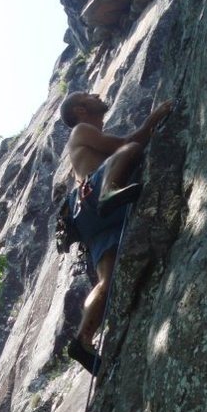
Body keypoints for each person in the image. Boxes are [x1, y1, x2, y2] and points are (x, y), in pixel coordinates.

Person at [60, 91, 172, 374]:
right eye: (88, 96)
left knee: (106, 282)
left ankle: (83, 340)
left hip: (92, 223)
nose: (96, 94)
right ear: (81, 109)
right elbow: (124, 144)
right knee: (128, 151)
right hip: (95, 200)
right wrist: (152, 121)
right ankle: (110, 192)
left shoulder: (83, 142)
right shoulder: (81, 129)